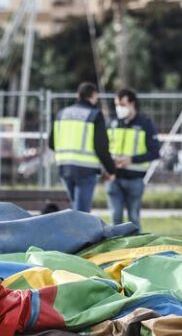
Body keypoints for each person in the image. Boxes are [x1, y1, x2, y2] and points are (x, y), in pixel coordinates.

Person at [49, 82, 116, 213]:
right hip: (86, 169)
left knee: (75, 208)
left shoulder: (62, 114)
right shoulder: (94, 115)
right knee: (82, 212)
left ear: (78, 95)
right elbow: (101, 147)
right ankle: (80, 233)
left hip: (65, 167)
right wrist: (111, 170)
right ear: (93, 96)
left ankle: (74, 232)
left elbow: (52, 143)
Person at [106, 88, 161, 228]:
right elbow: (103, 149)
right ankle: (116, 249)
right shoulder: (111, 123)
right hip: (114, 178)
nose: (119, 108)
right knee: (115, 218)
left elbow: (155, 152)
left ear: (132, 104)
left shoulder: (145, 124)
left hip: (135, 179)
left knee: (134, 219)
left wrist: (132, 160)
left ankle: (136, 249)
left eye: (122, 105)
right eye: (117, 105)